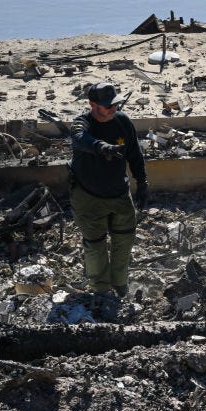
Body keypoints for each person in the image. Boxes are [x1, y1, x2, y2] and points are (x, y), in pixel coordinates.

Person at [69, 82, 148, 299]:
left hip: (119, 195)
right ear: (93, 105)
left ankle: (120, 284)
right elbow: (78, 137)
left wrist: (142, 183)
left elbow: (135, 155)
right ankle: (101, 291)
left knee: (124, 240)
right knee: (95, 246)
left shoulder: (122, 121)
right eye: (107, 106)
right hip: (88, 197)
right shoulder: (82, 123)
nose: (113, 109)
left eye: (114, 104)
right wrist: (101, 147)